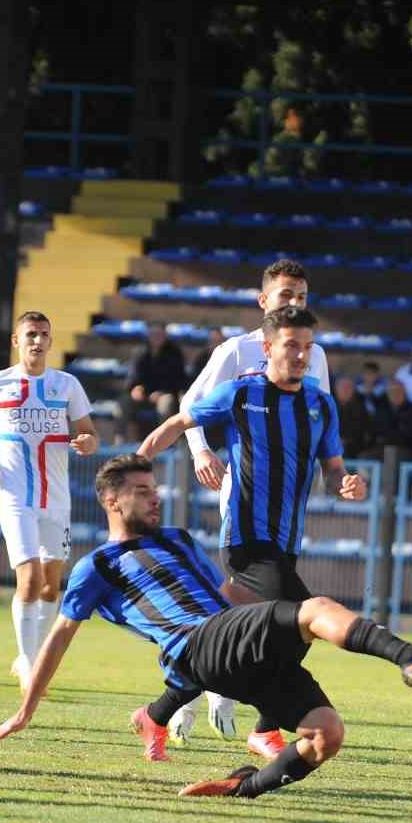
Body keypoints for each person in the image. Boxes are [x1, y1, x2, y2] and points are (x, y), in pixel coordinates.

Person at [0, 452, 412, 798]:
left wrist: (275, 608)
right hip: (195, 647)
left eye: (154, 489)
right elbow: (59, 638)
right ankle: (411, 658)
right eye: (141, 492)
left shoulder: (178, 539)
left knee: (326, 735)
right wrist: (25, 710)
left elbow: (226, 595)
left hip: (228, 649)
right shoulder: (98, 566)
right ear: (112, 502)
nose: (154, 498)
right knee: (314, 608)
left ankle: (243, 786)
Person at [139, 305, 367, 761]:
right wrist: (137, 464)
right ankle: (265, 726)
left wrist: (348, 483)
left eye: (307, 347)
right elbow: (181, 421)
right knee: (303, 622)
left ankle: (160, 712)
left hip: (285, 545)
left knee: (254, 640)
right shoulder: (241, 394)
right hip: (245, 541)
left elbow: (334, 466)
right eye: (291, 345)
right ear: (267, 348)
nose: (301, 355)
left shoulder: (320, 405)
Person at [174, 258, 328, 741]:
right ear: (263, 301)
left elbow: (315, 416)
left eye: (301, 297)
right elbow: (189, 407)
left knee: (257, 611)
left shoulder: (314, 354)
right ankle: (223, 698)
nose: (293, 304)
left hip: (288, 505)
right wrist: (201, 452)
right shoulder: (235, 352)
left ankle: (195, 688)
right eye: (285, 296)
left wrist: (330, 470)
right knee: (283, 609)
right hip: (242, 499)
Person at [0, 312, 98, 685]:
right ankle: (29, 664)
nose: (37, 341)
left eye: (44, 335)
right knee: (27, 580)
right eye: (30, 335)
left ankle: (32, 657)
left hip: (56, 497)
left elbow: (89, 434)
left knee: (50, 584)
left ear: (51, 340)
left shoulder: (67, 385)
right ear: (16, 340)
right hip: (14, 495)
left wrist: (88, 443)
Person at [121, 322, 187, 442]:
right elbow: (133, 376)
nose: (156, 337)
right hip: (143, 395)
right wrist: (135, 388)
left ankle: (165, 441)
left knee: (166, 405)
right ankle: (119, 441)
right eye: (153, 334)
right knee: (123, 403)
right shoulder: (139, 352)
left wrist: (162, 392)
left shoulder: (175, 353)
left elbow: (179, 380)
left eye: (159, 334)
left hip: (165, 393)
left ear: (165, 335)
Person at [334, 374, 379, 459]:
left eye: (348, 387)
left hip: (354, 449)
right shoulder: (328, 406)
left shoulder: (361, 408)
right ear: (336, 389)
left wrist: (346, 440)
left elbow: (366, 431)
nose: (345, 390)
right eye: (342, 387)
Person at [383, 378, 412, 456]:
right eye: (392, 391)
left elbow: (408, 435)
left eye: (398, 391)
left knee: (391, 452)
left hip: (407, 449)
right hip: (383, 447)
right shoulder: (382, 410)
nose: (395, 393)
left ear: (405, 392)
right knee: (365, 456)